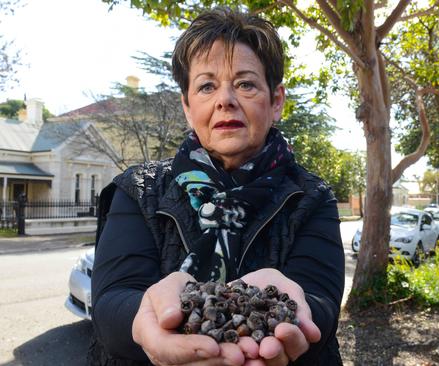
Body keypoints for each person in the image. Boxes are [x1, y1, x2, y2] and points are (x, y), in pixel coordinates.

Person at [88, 8, 345, 366]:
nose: (225, 99)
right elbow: (110, 304)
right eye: (207, 86)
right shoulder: (138, 190)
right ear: (188, 107)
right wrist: (152, 316)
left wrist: (292, 309)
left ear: (276, 102)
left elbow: (320, 304)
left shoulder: (312, 197)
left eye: (245, 84)